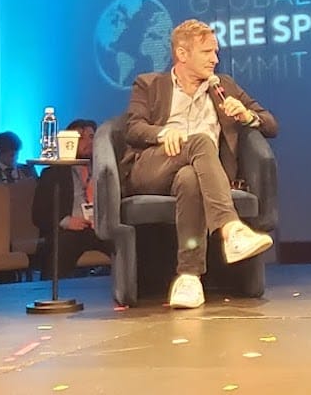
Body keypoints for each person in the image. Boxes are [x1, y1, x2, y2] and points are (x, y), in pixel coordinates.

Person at [121, 19, 278, 309]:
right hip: (153, 169)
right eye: (207, 52)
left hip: (198, 174)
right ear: (182, 54)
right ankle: (231, 229)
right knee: (201, 141)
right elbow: (131, 128)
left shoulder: (223, 87)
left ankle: (189, 278)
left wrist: (245, 115)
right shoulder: (150, 84)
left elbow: (270, 124)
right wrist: (162, 132)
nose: (215, 59)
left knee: (190, 178)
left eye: (215, 52)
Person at [32, 119, 112, 279]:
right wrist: (66, 221)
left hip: (101, 228)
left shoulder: (106, 171)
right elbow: (39, 215)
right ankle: (52, 294)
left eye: (91, 137)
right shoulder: (52, 174)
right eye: (81, 138)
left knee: (128, 242)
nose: (88, 142)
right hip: (71, 230)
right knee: (62, 245)